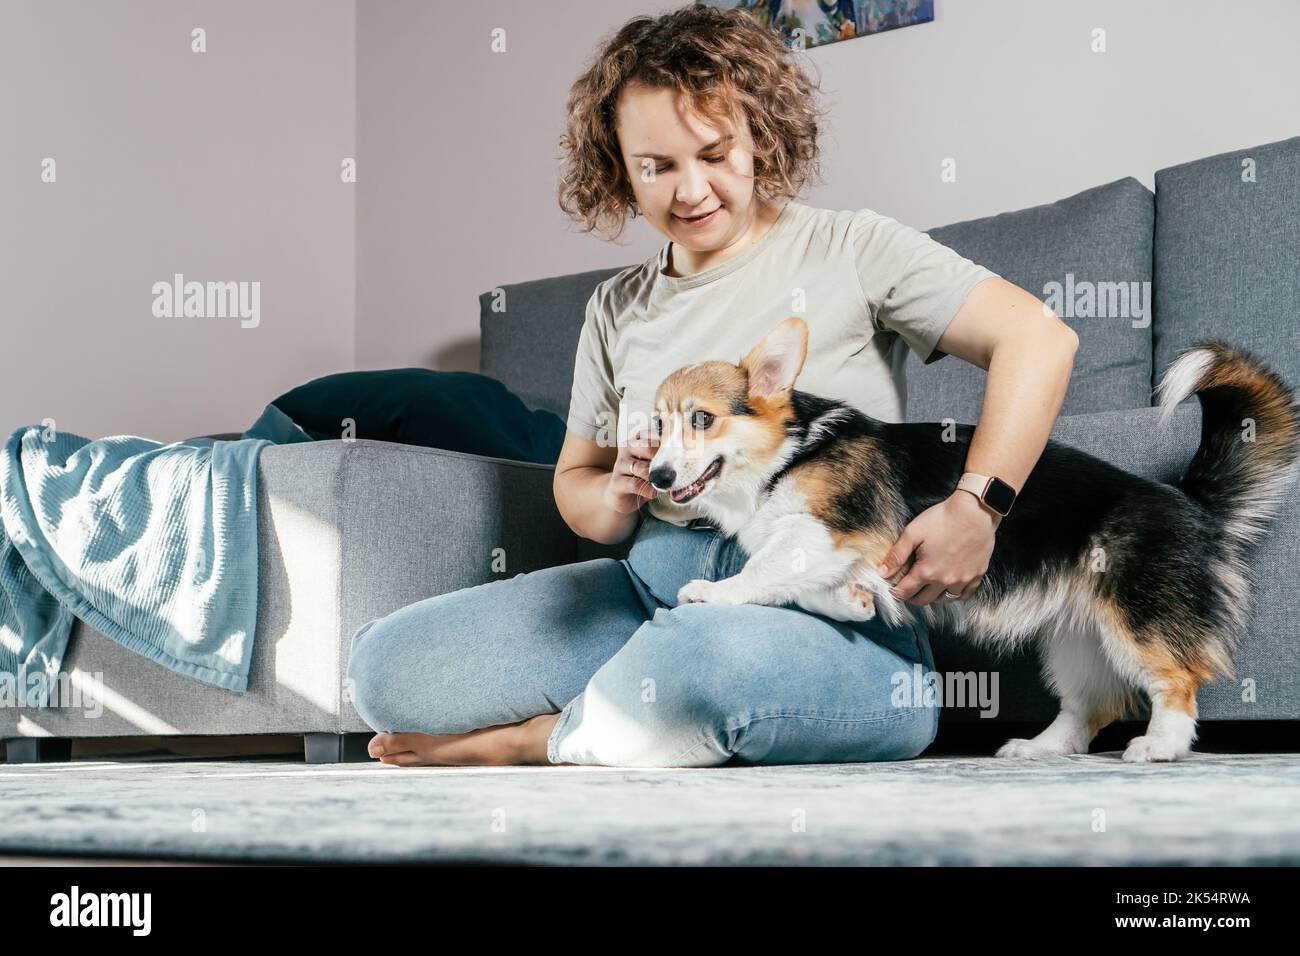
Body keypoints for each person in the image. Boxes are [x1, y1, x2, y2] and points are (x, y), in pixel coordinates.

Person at [346, 5, 1078, 767]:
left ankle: (545, 737)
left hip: (829, 611)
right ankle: (633, 707)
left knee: (703, 666)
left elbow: (1038, 339)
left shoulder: (852, 247)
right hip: (649, 588)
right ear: (619, 168)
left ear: (761, 135)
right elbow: (578, 490)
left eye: (715, 153)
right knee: (387, 671)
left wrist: (977, 505)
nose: (690, 190)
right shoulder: (614, 307)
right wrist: (619, 493)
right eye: (656, 166)